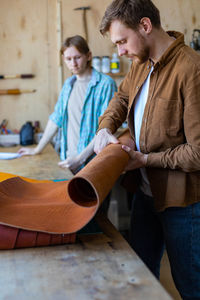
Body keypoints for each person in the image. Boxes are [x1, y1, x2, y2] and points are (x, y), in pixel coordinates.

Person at [94, 0, 200, 299]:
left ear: (145, 25)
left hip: (183, 203)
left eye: (122, 41)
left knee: (190, 284)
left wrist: (145, 159)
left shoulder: (191, 70)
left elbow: (198, 152)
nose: (121, 52)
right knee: (140, 275)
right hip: (145, 192)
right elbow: (121, 98)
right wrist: (105, 127)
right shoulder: (140, 63)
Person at [18, 35, 117, 174]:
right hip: (68, 161)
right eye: (68, 59)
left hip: (93, 164)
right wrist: (37, 149)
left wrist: (80, 159)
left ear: (88, 56)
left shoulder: (105, 84)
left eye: (77, 57)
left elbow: (105, 129)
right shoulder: (68, 85)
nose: (73, 64)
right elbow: (55, 120)